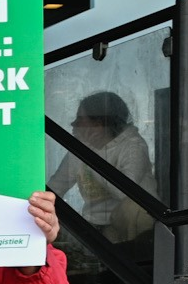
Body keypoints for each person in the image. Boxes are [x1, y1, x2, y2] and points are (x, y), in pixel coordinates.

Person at [48, 91, 156, 245]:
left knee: (130, 210)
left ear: (98, 124)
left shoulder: (133, 146)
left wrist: (91, 154)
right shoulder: (82, 147)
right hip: (94, 225)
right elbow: (56, 187)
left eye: (80, 120)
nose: (73, 125)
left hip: (133, 228)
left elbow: (123, 192)